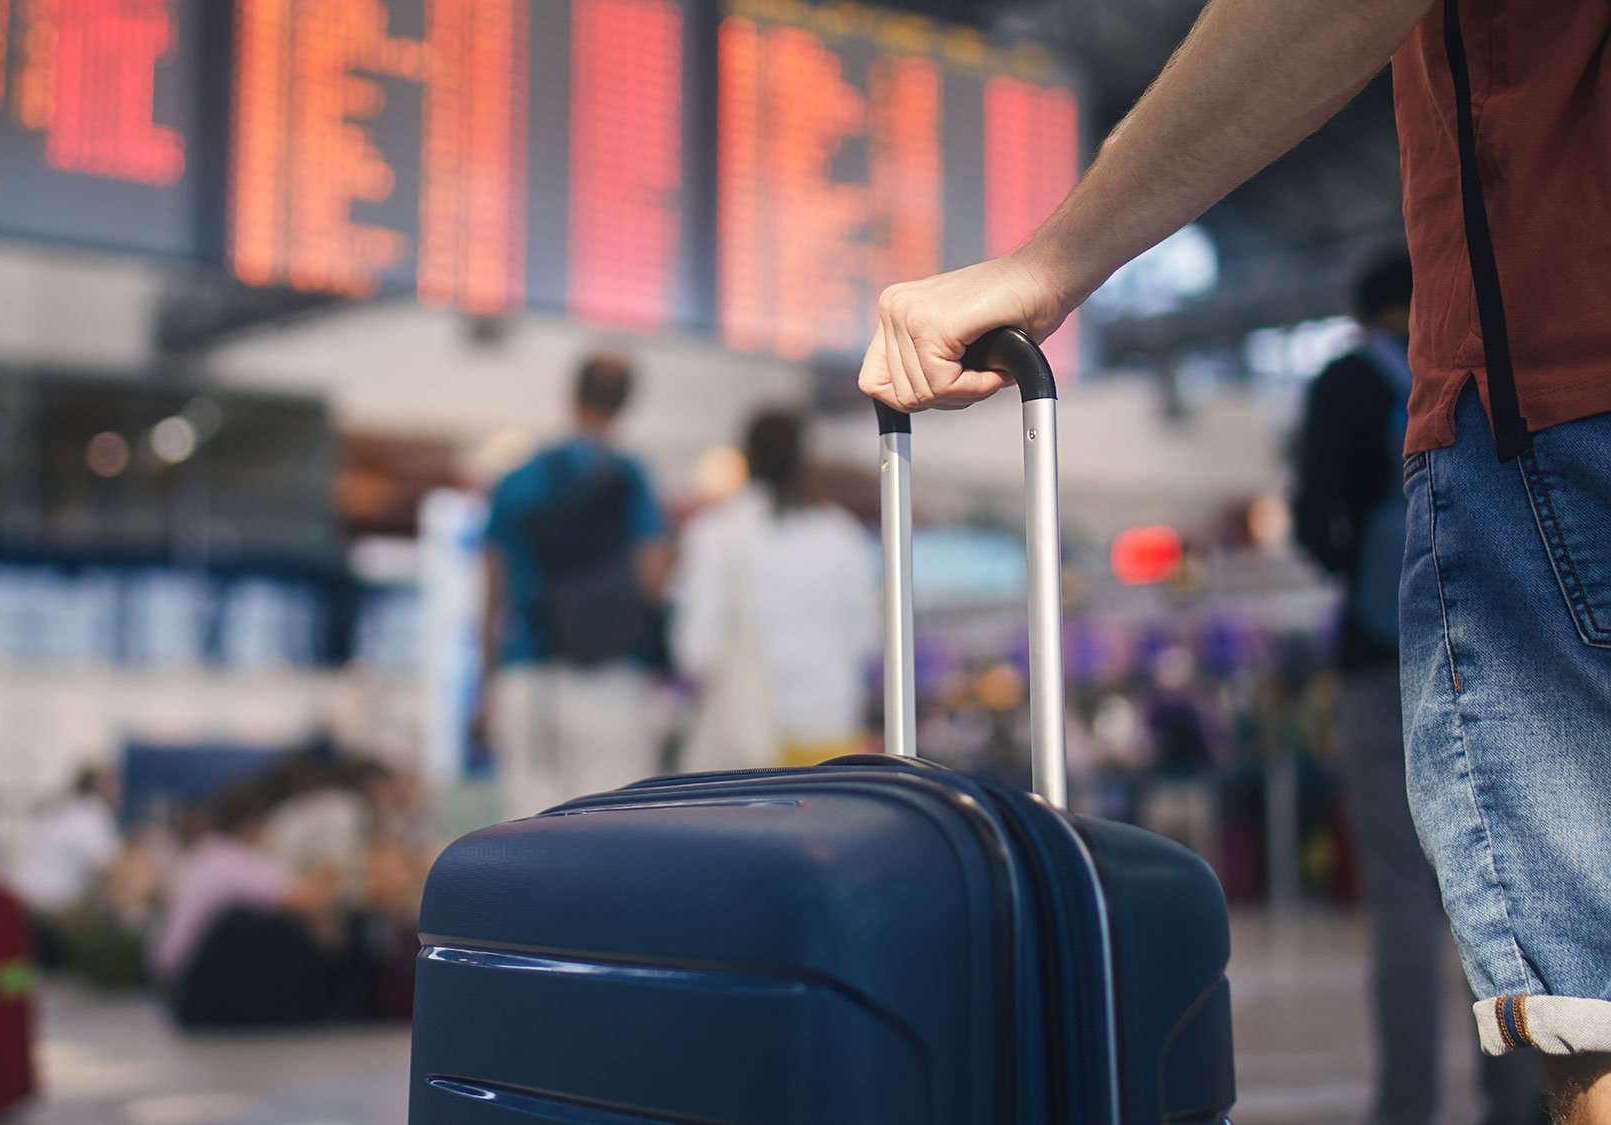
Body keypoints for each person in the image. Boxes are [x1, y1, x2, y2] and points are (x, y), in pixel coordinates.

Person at [858, 1, 1611, 1116]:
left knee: (1578, 996)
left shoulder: (1353, 386)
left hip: (1555, 394)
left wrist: (1049, 262)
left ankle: (1407, 1098)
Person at [1295, 254, 1540, 1125]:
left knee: (1401, 889)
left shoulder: (1347, 384)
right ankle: (1518, 1100)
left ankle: (1405, 1104)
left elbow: (1310, 520)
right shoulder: (1477, 363)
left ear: (1363, 310)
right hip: (1495, 649)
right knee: (1505, 886)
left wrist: (1355, 560)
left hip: (1379, 655)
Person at [481, 354, 669, 818]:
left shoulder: (517, 480)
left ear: (572, 394)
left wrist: (489, 685)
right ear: (625, 405)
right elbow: (650, 577)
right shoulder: (631, 478)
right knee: (610, 834)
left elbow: (491, 596)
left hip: (529, 673)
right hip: (611, 680)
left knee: (525, 833)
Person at [670, 408, 876, 769]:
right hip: (829, 728)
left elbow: (695, 649)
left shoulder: (715, 533)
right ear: (804, 459)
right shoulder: (842, 535)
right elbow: (867, 637)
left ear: (747, 457)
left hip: (746, 733)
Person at [150, 787, 346, 1028]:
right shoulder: (237, 861)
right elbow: (304, 899)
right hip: (194, 983)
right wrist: (337, 866)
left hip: (172, 978)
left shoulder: (206, 853)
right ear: (253, 825)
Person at [13, 764, 122, 964]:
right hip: (53, 908)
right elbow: (109, 871)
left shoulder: (61, 808)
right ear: (99, 786)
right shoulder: (92, 813)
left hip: (23, 902)